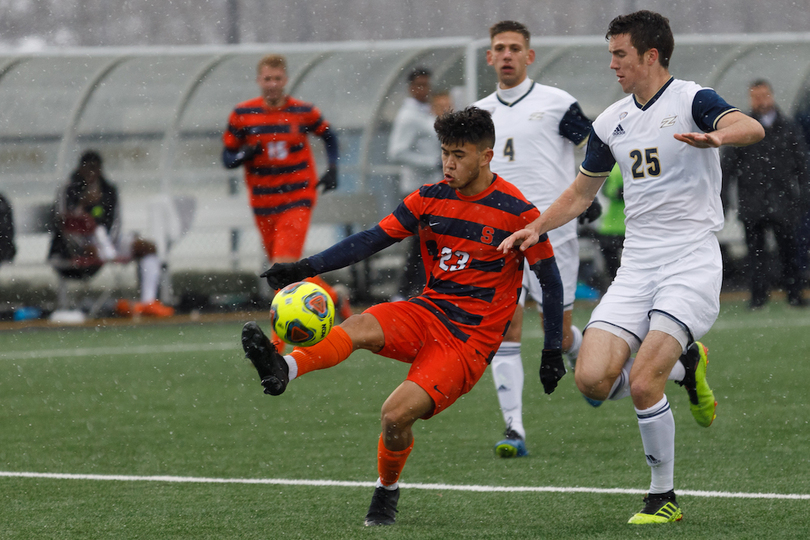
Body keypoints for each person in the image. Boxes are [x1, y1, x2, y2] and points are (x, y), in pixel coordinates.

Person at [499, 10, 764, 524]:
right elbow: (581, 192)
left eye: (620, 54)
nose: (613, 64)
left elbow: (748, 125)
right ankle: (688, 368)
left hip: (690, 261)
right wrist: (536, 227)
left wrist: (717, 137)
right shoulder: (610, 120)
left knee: (643, 384)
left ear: (650, 55)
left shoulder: (692, 99)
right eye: (611, 54)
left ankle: (662, 498)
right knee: (592, 380)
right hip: (637, 266)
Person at [241, 107, 565, 527]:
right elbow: (372, 239)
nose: (448, 163)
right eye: (445, 153)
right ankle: (283, 368)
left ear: (486, 156)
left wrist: (552, 348)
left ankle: (386, 491)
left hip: (467, 342)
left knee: (395, 416)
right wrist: (305, 268)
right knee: (357, 325)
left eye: (459, 155)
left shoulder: (517, 212)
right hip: (426, 311)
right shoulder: (429, 197)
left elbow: (551, 281)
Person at [473, 20, 600, 458]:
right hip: (498, 236)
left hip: (552, 232)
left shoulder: (557, 103)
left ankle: (589, 370)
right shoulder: (478, 113)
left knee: (557, 334)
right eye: (499, 48)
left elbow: (596, 145)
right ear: (489, 57)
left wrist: (591, 197)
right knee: (503, 327)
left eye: (514, 48)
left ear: (529, 56)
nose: (506, 54)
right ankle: (514, 430)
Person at [48, 150, 174, 317]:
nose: (91, 173)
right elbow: (64, 224)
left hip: (106, 243)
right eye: (87, 168)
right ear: (80, 169)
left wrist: (108, 246)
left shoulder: (109, 190)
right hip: (72, 248)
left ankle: (148, 302)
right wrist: (82, 206)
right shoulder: (68, 190)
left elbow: (116, 223)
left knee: (148, 247)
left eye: (95, 168)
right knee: (95, 243)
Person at [722, 79, 809, 308]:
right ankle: (758, 298)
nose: (760, 101)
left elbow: (803, 165)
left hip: (783, 202)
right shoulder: (743, 128)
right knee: (755, 254)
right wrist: (723, 198)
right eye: (756, 96)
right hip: (752, 202)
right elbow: (728, 166)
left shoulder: (788, 128)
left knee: (789, 251)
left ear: (772, 96)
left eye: (764, 95)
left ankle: (794, 295)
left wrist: (802, 198)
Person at [388, 67, 442, 300]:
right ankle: (406, 291)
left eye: (426, 85)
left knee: (425, 242)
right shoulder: (408, 116)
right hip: (417, 188)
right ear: (411, 88)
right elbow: (397, 152)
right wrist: (431, 161)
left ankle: (412, 290)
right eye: (419, 85)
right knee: (419, 243)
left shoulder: (424, 113)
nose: (424, 90)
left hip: (431, 188)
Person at [595, 164, 625, 289]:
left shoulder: (615, 166)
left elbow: (608, 191)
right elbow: (608, 191)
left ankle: (617, 288)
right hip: (614, 227)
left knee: (615, 270)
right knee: (613, 269)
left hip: (617, 226)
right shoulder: (615, 166)